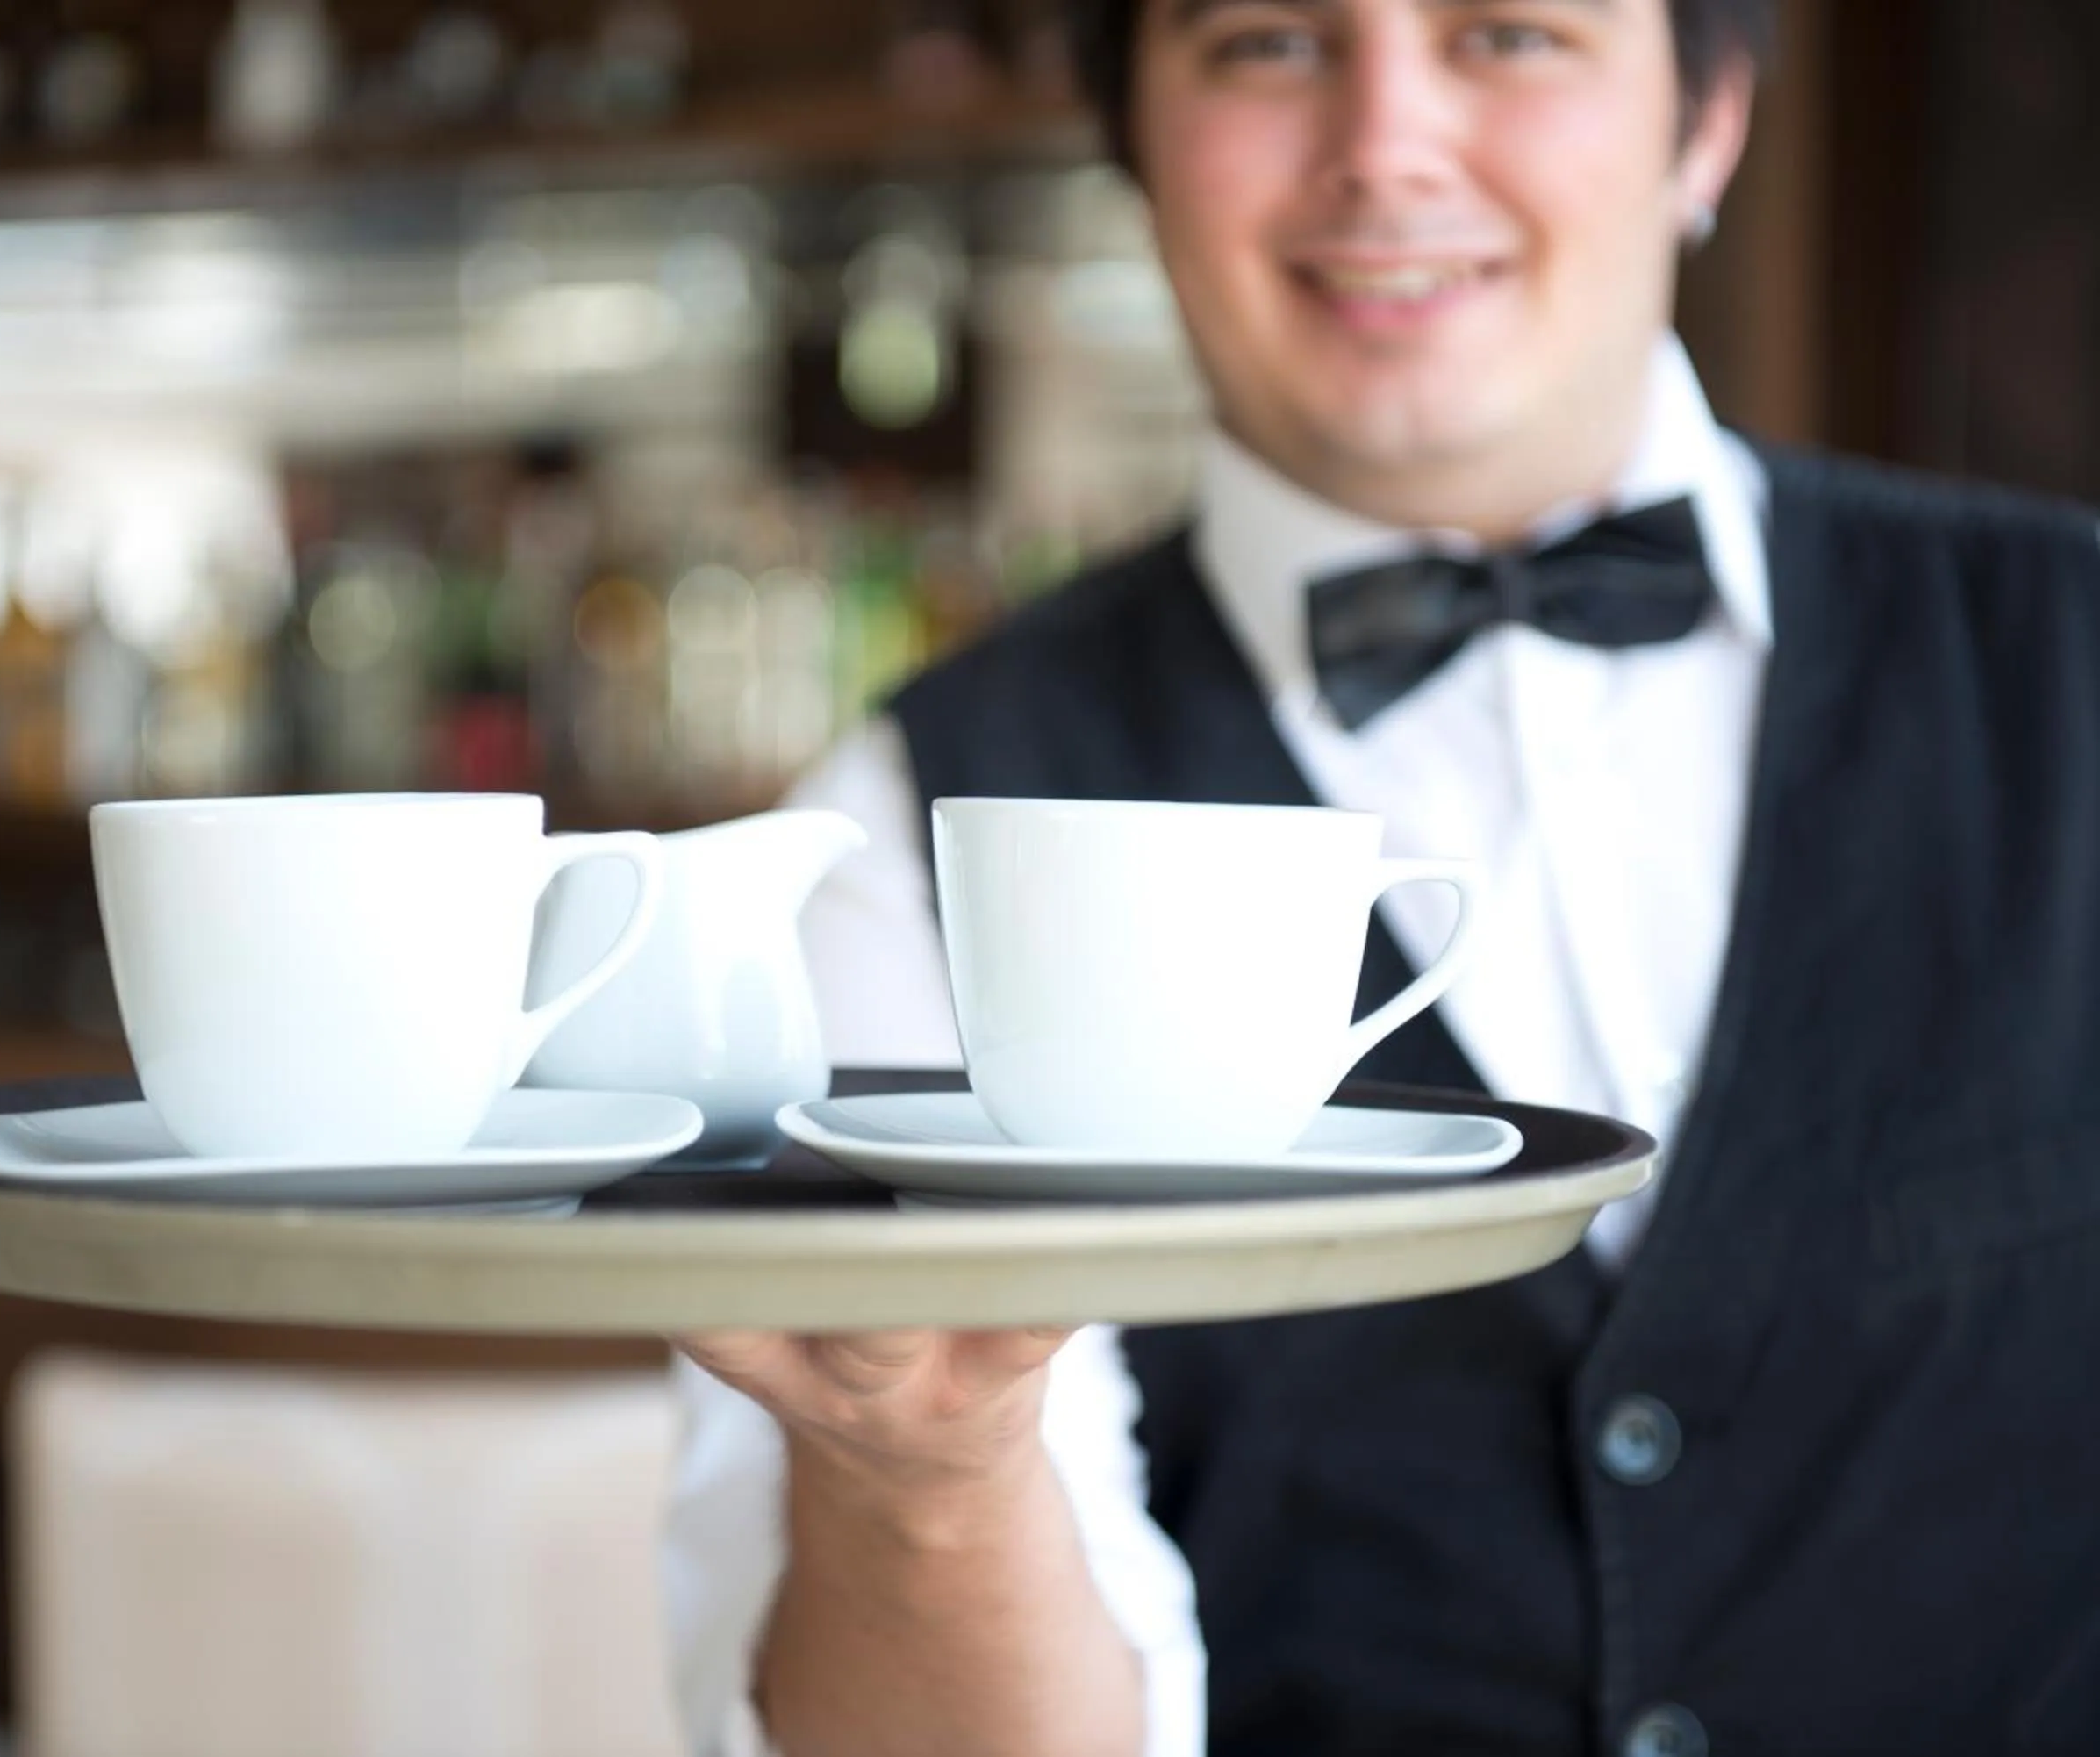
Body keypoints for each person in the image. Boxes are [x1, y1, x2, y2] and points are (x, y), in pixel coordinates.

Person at [663, 0, 2100, 1753]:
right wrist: (930, 1476)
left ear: (1708, 118)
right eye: (1269, 44)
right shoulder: (899, 835)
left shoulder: (2071, 656)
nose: (1386, 146)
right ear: (1131, 139)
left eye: (1510, 35)